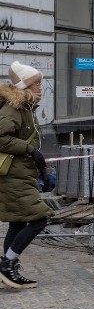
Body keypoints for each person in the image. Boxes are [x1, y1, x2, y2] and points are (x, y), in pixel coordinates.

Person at [0, 62, 52, 289]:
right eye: (36, 83)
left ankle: (7, 270)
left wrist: (41, 169)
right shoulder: (13, 108)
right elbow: (1, 138)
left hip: (22, 174)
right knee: (40, 217)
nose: (41, 87)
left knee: (18, 223)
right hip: (12, 176)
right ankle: (7, 264)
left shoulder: (27, 108)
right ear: (25, 86)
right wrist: (30, 150)